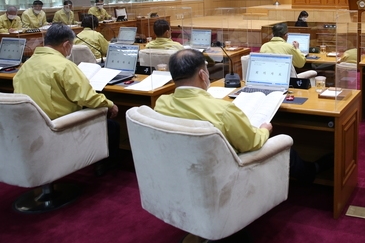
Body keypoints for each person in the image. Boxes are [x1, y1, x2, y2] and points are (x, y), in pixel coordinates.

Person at [154, 49, 332, 182]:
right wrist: (264, 130)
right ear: (202, 74)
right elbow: (251, 143)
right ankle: (312, 171)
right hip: (226, 172)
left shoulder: (161, 104)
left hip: (183, 170)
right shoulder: (222, 111)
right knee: (287, 149)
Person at [13, 23, 120, 175]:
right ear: (66, 45)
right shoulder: (64, 66)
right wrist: (109, 105)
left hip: (28, 129)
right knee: (112, 125)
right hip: (57, 127)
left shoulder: (25, 66)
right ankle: (104, 169)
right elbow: (87, 98)